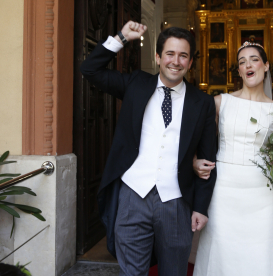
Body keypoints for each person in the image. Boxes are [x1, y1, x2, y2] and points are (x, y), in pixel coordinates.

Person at [80, 21, 217, 276]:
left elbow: (209, 159)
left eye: (183, 55)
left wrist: (200, 206)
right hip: (133, 195)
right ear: (157, 57)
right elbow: (89, 69)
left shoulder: (203, 103)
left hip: (176, 202)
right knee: (132, 272)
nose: (176, 61)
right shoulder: (136, 84)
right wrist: (121, 37)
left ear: (190, 62)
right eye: (170, 54)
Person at [192, 41, 273, 275]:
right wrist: (194, 161)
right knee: (222, 253)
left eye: (254, 59)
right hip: (224, 190)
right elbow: (193, 140)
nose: (248, 65)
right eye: (242, 62)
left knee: (261, 254)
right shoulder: (220, 102)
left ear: (266, 66)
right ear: (238, 71)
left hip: (263, 194)